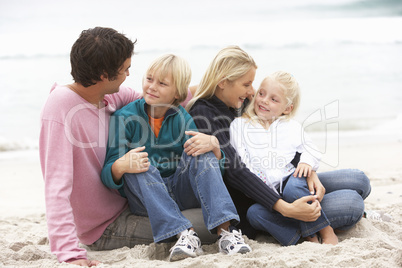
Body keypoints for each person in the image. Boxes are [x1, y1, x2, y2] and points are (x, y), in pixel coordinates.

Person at [39, 27, 202, 266]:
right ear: (105, 74)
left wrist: (215, 88)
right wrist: (70, 255)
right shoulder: (60, 108)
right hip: (106, 226)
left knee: (212, 211)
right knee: (207, 224)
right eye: (125, 68)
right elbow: (56, 187)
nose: (128, 73)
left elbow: (159, 98)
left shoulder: (108, 96)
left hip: (133, 200)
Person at [187, 45, 371, 245]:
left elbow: (286, 140)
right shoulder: (206, 113)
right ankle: (311, 229)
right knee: (352, 203)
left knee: (359, 180)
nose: (252, 92)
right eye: (247, 84)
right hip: (264, 202)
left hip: (290, 182)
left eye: (253, 85)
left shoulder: (239, 103)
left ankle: (319, 217)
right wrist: (286, 208)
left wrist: (309, 170)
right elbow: (236, 171)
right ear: (223, 82)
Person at [101, 54, 252, 262]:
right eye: (149, 78)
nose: (152, 86)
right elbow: (108, 172)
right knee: (137, 163)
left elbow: (209, 169)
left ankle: (226, 233)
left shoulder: (183, 117)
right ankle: (184, 234)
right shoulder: (124, 117)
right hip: (146, 195)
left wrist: (215, 148)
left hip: (179, 190)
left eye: (162, 83)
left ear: (177, 93)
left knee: (201, 148)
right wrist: (120, 165)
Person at [229, 71, 337, 244]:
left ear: (287, 108)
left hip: (291, 181)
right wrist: (266, 193)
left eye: (274, 99)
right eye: (261, 94)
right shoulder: (240, 125)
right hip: (269, 196)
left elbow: (312, 149)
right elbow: (243, 162)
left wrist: (306, 163)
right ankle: (300, 237)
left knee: (293, 188)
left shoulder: (291, 127)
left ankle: (325, 230)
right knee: (254, 214)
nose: (264, 100)